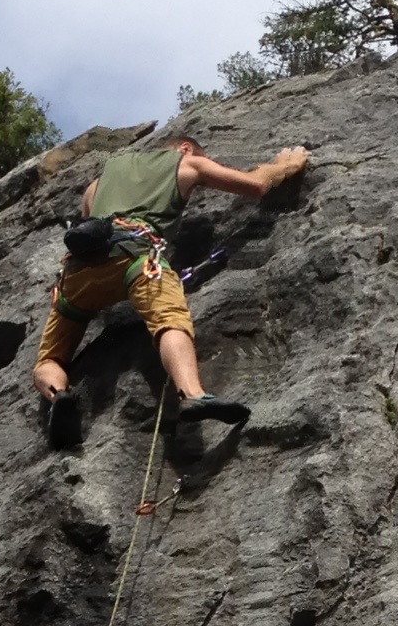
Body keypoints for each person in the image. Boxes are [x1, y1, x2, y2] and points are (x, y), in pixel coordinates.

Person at [34, 132, 309, 451]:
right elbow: (256, 185)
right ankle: (192, 394)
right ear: (185, 148)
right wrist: (285, 165)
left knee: (48, 359)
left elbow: (89, 225)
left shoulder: (99, 183)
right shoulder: (187, 163)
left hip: (77, 275)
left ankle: (59, 395)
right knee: (170, 321)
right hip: (136, 260)